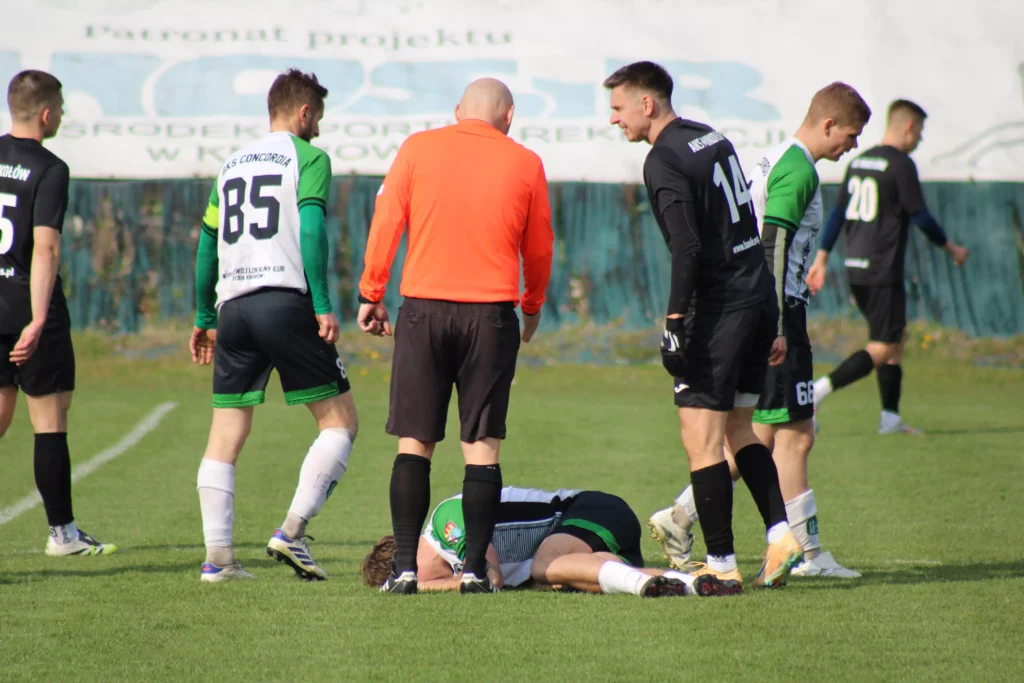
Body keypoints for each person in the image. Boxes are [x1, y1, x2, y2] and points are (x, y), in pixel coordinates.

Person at [650, 82, 870, 579]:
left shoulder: (782, 160)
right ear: (829, 124)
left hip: (760, 308)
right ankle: (803, 552)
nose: (852, 146)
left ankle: (685, 517)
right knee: (790, 436)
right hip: (773, 311)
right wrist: (776, 322)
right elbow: (772, 242)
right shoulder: (798, 169)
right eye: (851, 135)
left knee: (758, 431)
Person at [604, 61, 801, 590]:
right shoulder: (710, 137)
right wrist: (770, 315)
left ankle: (721, 563)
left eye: (619, 108)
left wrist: (674, 320)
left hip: (717, 313)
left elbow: (687, 246)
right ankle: (781, 535)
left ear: (647, 104)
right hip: (755, 297)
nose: (614, 119)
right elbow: (746, 225)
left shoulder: (663, 158)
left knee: (701, 440)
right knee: (739, 429)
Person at [357, 78, 554, 595]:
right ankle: (473, 571)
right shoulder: (526, 162)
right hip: (490, 316)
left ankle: (404, 568)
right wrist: (532, 304)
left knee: (414, 443)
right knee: (481, 448)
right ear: (509, 116)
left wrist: (371, 291)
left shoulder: (418, 148)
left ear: (457, 110)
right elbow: (539, 246)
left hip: (423, 311)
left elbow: (386, 220)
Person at [190, 69, 358, 583]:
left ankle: (218, 559)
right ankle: (292, 532)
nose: (318, 130)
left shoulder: (230, 166)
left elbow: (206, 246)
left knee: (225, 434)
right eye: (317, 119)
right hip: (284, 301)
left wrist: (203, 315)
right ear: (304, 112)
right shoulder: (309, 158)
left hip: (233, 309)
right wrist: (323, 304)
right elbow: (311, 229)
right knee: (340, 423)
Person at [0, 70, 116, 556]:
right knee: (49, 418)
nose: (63, 116)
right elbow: (45, 248)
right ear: (46, 114)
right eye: (61, 109)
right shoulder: (50, 168)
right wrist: (38, 318)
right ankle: (62, 535)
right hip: (24, 305)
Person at [806, 99, 969, 435]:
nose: (919, 139)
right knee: (883, 346)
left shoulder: (859, 162)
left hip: (855, 267)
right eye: (919, 132)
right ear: (909, 127)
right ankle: (815, 393)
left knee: (893, 339)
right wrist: (951, 248)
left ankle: (890, 418)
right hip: (882, 269)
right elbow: (920, 216)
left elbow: (837, 215)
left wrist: (822, 258)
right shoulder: (900, 165)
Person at [360, 486, 742, 597]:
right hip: (589, 541)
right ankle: (693, 584)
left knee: (546, 566)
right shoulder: (453, 558)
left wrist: (424, 586)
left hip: (593, 510)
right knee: (562, 576)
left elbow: (489, 579)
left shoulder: (446, 522)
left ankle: (642, 585)